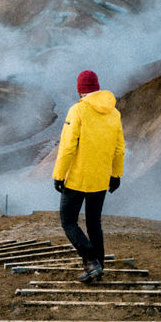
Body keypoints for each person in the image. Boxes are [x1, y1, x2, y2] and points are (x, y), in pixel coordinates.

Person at [52, 69, 125, 283]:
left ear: (80, 90)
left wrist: (58, 175)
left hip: (76, 178)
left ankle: (91, 260)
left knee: (68, 221)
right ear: (97, 87)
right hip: (101, 179)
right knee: (94, 224)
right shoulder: (114, 113)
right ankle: (98, 268)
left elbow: (67, 147)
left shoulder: (77, 110)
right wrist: (116, 175)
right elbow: (119, 148)